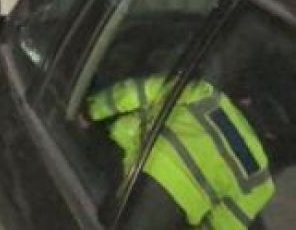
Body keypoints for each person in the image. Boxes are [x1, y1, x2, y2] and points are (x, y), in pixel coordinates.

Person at [87, 75, 274, 229]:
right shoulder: (259, 180)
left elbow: (137, 92)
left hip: (121, 168)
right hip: (165, 216)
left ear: (246, 99)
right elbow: (222, 226)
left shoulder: (206, 95)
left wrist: (90, 112)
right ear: (271, 135)